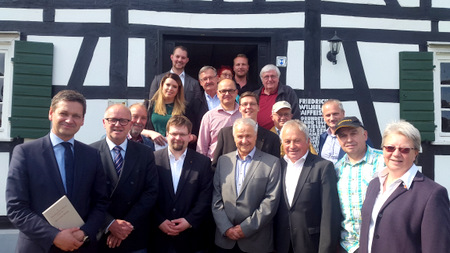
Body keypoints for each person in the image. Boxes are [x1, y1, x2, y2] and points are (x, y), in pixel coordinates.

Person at [6, 90, 108, 252]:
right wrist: (53, 236)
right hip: (38, 246)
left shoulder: (92, 155)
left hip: (80, 245)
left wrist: (85, 232)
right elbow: (16, 207)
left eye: (76, 116)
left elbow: (100, 203)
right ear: (51, 114)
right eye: (63, 113)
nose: (69, 120)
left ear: (82, 120)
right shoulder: (25, 153)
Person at [359, 120, 450, 253]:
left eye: (405, 149)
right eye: (390, 148)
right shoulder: (374, 184)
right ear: (383, 149)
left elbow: (436, 248)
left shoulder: (433, 194)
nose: (396, 154)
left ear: (415, 153)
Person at [91, 104, 158, 253]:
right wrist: (110, 224)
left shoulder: (145, 153)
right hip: (101, 234)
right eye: (112, 120)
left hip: (134, 234)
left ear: (130, 124)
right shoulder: (90, 153)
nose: (117, 125)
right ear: (104, 123)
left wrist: (125, 226)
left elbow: (151, 192)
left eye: (123, 121)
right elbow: (85, 195)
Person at [212, 118, 281, 253]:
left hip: (256, 241)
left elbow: (270, 201)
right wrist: (226, 228)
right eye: (240, 136)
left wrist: (246, 228)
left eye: (248, 136)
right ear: (234, 137)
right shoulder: (223, 161)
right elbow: (216, 196)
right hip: (225, 240)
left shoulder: (272, 163)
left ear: (256, 136)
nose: (244, 140)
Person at [274, 120, 341, 253]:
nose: (292, 146)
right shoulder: (277, 166)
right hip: (281, 244)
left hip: (311, 244)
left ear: (308, 141)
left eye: (297, 140)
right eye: (287, 141)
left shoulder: (323, 167)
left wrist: (326, 249)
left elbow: (330, 213)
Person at [150, 115, 214, 253]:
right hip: (158, 238)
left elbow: (206, 196)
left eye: (182, 134)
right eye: (173, 133)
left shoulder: (202, 163)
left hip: (191, 239)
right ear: (167, 134)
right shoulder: (153, 159)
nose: (178, 138)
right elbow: (147, 193)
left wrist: (189, 220)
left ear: (189, 136)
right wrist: (159, 221)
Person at [334, 117, 384, 253]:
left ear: (365, 135)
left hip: (379, 244)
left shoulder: (384, 162)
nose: (349, 140)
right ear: (338, 141)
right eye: (343, 136)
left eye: (353, 133)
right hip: (348, 246)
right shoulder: (336, 169)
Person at [212, 91, 280, 169]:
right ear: (240, 108)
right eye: (245, 104)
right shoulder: (225, 134)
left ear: (258, 107)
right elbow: (216, 166)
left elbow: (275, 168)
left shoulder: (272, 138)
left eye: (252, 104)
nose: (248, 107)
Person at [196, 79, 241, 160]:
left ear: (236, 92)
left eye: (230, 90)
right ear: (217, 93)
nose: (227, 94)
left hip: (241, 163)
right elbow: (202, 147)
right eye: (223, 91)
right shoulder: (209, 117)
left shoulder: (244, 114)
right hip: (214, 164)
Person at [144, 73, 186, 149]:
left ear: (178, 90)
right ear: (162, 85)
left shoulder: (185, 108)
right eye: (168, 85)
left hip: (175, 150)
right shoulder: (148, 105)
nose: (170, 88)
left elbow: (192, 134)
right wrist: (151, 133)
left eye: (174, 87)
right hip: (151, 149)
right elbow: (134, 128)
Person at [255, 64, 300, 130]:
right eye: (266, 77)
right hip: (258, 136)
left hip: (281, 134)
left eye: (273, 76)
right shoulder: (255, 95)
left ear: (278, 78)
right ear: (262, 80)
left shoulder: (287, 92)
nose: (270, 79)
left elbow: (295, 116)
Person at [189, 66, 220, 141]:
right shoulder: (194, 103)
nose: (208, 81)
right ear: (200, 82)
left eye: (211, 77)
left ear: (217, 78)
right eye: (205, 79)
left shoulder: (227, 98)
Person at [318, 99, 346, 163]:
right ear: (323, 117)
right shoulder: (323, 137)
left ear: (343, 113)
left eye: (335, 114)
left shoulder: (354, 136)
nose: (332, 118)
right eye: (328, 115)